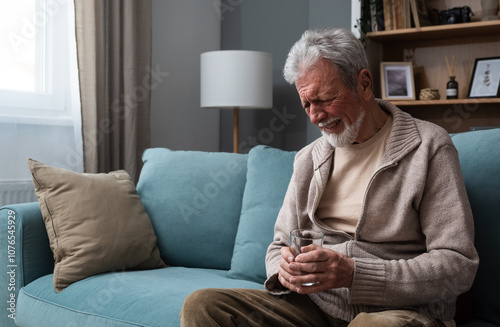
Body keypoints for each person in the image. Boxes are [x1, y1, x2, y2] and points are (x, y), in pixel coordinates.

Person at [180, 27, 479, 327]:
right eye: (307, 105)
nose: (314, 116)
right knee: (202, 307)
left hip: (397, 311)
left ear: (363, 84)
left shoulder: (429, 147)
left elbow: (457, 264)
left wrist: (354, 274)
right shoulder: (308, 159)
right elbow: (279, 246)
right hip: (315, 307)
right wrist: (282, 268)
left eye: (324, 99)